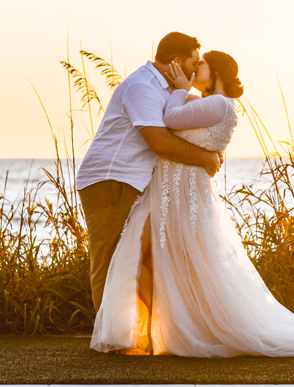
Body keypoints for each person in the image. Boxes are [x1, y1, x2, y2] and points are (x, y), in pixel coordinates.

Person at [91, 49, 294, 357]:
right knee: (143, 259)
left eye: (201, 64)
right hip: (171, 192)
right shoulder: (206, 103)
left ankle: (173, 331)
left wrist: (179, 89)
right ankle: (155, 331)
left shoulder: (218, 103)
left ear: (215, 71)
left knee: (158, 259)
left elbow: (170, 117)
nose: (194, 68)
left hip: (183, 193)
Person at [77, 32, 223, 313]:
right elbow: (159, 142)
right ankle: (109, 339)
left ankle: (145, 330)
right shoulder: (142, 87)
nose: (195, 70)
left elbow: (203, 114)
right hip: (111, 180)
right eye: (193, 63)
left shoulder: (170, 91)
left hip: (136, 183)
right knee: (110, 260)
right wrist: (205, 158)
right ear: (177, 61)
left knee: (140, 258)